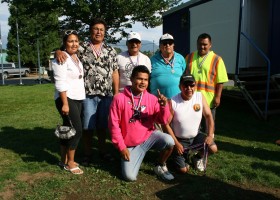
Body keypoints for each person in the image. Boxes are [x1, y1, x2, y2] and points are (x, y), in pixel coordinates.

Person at [56, 18, 119, 165]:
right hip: (87, 95)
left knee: (103, 126)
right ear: (91, 31)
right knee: (87, 127)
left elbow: (115, 72)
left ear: (105, 33)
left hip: (106, 95)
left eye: (101, 30)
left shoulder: (111, 50)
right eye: (96, 29)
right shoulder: (82, 48)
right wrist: (58, 51)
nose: (98, 32)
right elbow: (65, 49)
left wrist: (116, 93)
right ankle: (88, 153)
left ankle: (103, 151)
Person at [109, 65, 175, 181]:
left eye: (145, 80)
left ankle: (160, 164)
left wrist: (164, 107)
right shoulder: (119, 98)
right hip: (130, 145)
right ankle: (133, 156)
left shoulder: (152, 99)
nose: (142, 82)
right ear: (132, 79)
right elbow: (114, 126)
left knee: (169, 141)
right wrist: (121, 147)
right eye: (139, 79)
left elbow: (162, 120)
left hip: (149, 137)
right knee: (130, 177)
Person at [164, 74, 217, 173]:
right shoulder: (173, 101)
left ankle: (197, 158)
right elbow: (166, 124)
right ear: (180, 87)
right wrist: (176, 143)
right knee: (183, 170)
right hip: (180, 140)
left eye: (192, 85)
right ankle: (178, 155)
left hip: (196, 137)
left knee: (213, 148)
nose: (189, 88)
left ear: (195, 86)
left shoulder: (199, 96)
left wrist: (210, 135)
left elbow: (209, 116)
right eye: (185, 86)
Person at [52, 30, 85, 175]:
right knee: (76, 130)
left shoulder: (75, 57)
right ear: (65, 43)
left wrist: (57, 50)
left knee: (67, 130)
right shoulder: (61, 58)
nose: (74, 44)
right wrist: (65, 103)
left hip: (77, 98)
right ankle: (70, 163)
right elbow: (60, 82)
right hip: (66, 98)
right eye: (70, 41)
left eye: (76, 41)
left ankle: (63, 160)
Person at [185, 33, 228, 126]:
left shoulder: (217, 59)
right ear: (197, 44)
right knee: (194, 127)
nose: (202, 46)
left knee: (209, 127)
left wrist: (218, 97)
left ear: (210, 45)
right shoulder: (189, 57)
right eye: (200, 44)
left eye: (205, 44)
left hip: (209, 101)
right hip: (193, 99)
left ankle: (209, 140)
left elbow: (220, 81)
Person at [150, 33, 186, 99]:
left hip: (177, 101)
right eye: (164, 43)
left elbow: (184, 75)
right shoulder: (152, 60)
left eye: (170, 43)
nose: (167, 45)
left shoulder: (180, 58)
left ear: (173, 45)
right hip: (157, 101)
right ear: (160, 46)